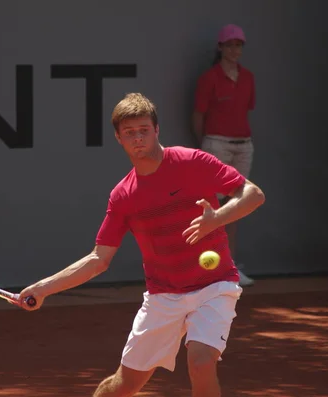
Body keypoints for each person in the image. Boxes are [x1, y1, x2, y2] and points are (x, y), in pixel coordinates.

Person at [18, 93, 265, 396]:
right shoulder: (123, 196)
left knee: (201, 362)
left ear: (157, 130)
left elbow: (253, 194)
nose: (138, 138)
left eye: (144, 130)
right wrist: (42, 288)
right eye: (130, 133)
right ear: (118, 138)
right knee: (124, 385)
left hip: (214, 285)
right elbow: (98, 259)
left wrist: (217, 219)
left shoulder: (193, 161)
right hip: (163, 295)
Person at [192, 24, 257, 287]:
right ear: (220, 48)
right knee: (212, 205)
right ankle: (205, 267)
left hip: (244, 145)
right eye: (230, 45)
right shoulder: (209, 78)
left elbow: (246, 110)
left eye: (239, 45)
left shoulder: (248, 77)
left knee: (236, 206)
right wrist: (205, 148)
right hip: (215, 145)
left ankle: (228, 266)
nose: (234, 49)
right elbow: (198, 115)